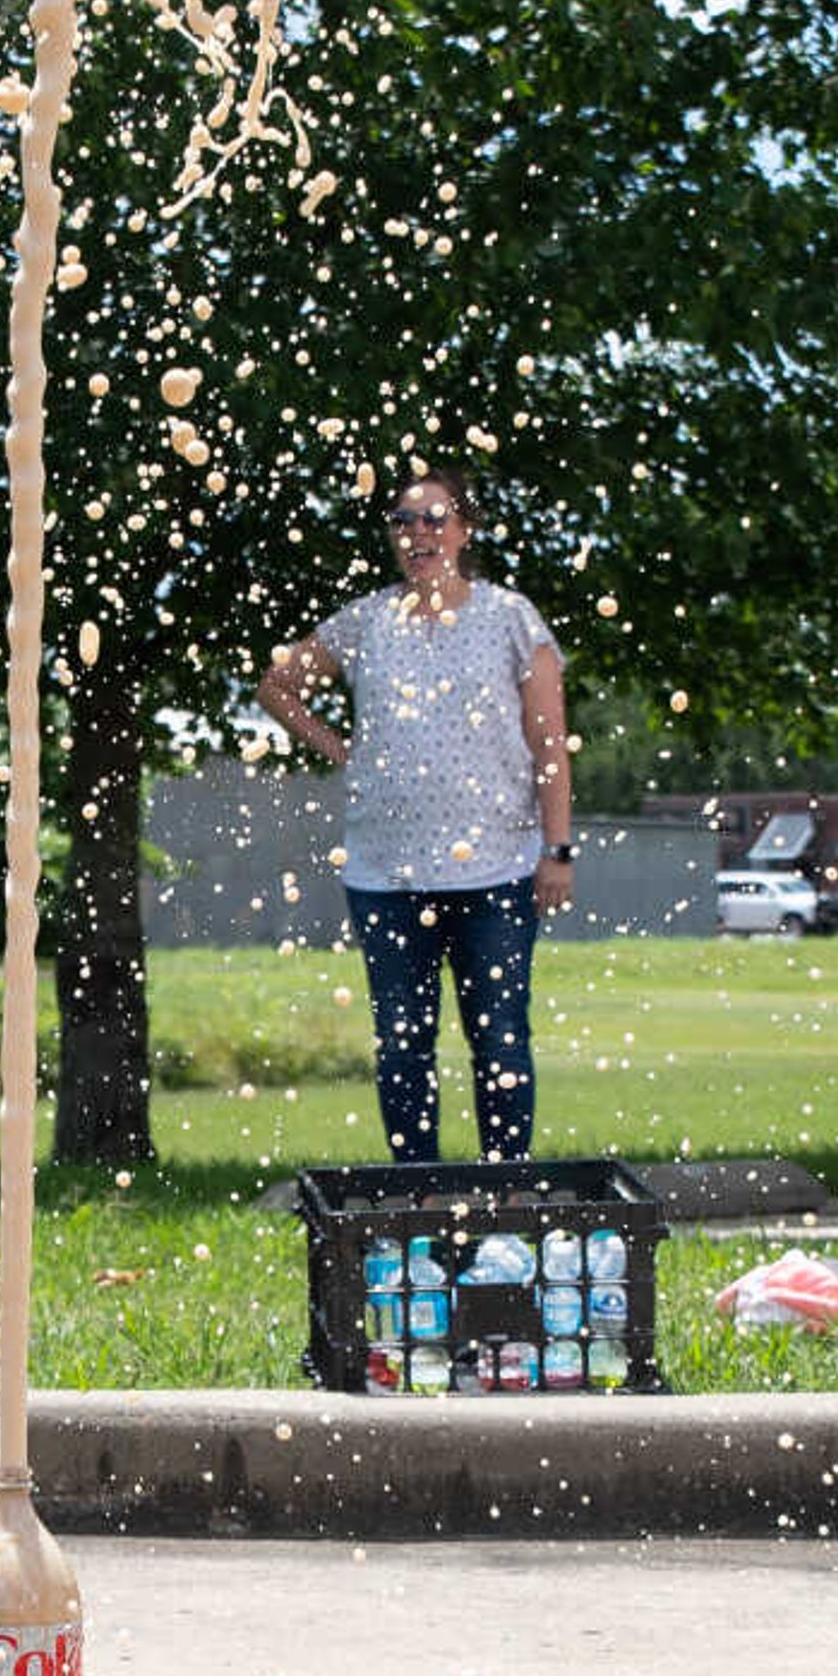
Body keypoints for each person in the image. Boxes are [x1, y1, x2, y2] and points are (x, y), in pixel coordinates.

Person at [252, 466, 574, 1162]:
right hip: (387, 875)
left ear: (464, 530)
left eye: (435, 519)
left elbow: (549, 739)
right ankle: (415, 1193)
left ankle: (504, 1189)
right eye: (404, 521)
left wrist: (559, 848)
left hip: (497, 869)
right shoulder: (367, 620)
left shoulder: (510, 617)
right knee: (402, 1041)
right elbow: (277, 686)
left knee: (501, 1038)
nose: (419, 533)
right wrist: (343, 748)